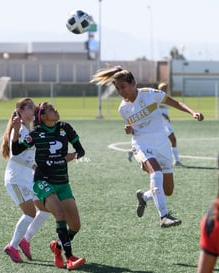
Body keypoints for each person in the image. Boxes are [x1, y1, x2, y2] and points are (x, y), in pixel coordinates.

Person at [90, 65, 204, 228]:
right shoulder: (123, 108)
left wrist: (192, 112)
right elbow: (133, 127)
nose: (121, 91)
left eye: (123, 87)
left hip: (162, 144)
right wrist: (129, 129)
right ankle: (164, 217)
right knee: (155, 172)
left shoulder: (151, 94)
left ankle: (144, 196)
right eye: (117, 88)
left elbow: (175, 102)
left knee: (168, 190)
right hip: (141, 145)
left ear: (133, 83)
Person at [11, 102, 86, 270]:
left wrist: (73, 155)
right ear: (43, 117)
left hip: (63, 182)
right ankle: (70, 257)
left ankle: (57, 246)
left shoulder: (65, 127)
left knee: (75, 226)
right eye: (51, 109)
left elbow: (81, 150)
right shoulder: (37, 133)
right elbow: (16, 150)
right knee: (59, 213)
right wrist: (16, 131)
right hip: (43, 181)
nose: (56, 110)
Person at [1, 97, 50, 263]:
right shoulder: (19, 129)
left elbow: (29, 155)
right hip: (16, 179)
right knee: (30, 213)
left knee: (45, 210)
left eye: (34, 107)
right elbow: (16, 155)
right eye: (29, 107)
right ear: (20, 111)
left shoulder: (29, 130)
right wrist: (35, 166)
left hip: (27, 178)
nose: (33, 110)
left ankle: (25, 239)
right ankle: (12, 246)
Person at [158, 82, 183, 166]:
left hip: (165, 123)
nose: (164, 90)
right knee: (158, 142)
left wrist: (166, 117)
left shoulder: (167, 98)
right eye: (162, 88)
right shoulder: (155, 98)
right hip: (159, 123)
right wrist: (162, 115)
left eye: (165, 88)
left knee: (173, 140)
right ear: (159, 89)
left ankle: (176, 161)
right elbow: (152, 110)